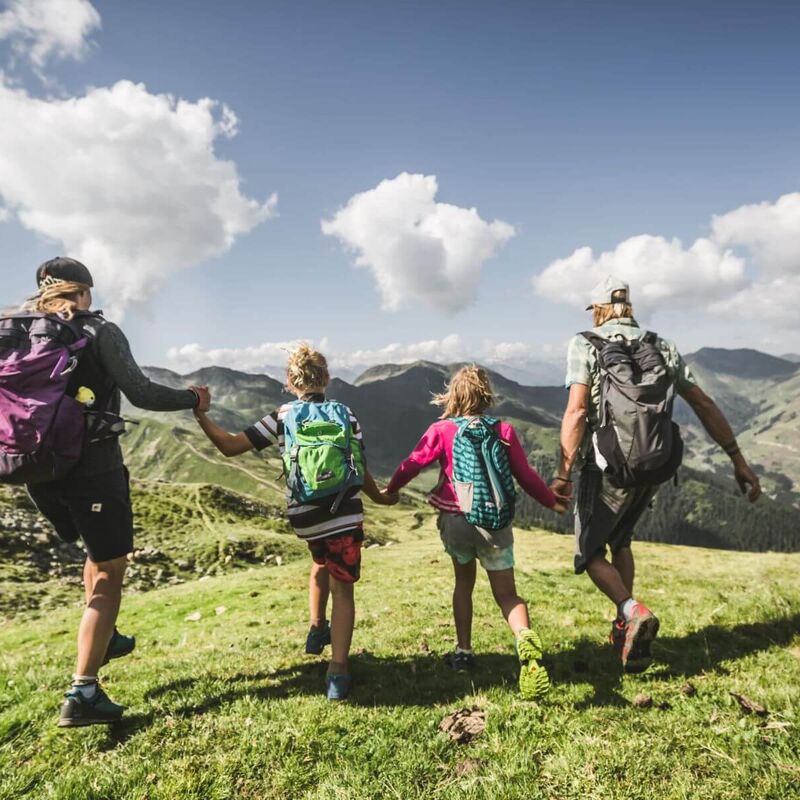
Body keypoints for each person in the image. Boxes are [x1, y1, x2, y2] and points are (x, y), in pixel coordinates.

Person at [12, 257, 209, 727]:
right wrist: (193, 399)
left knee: (94, 555)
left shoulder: (14, 330)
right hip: (92, 469)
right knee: (110, 573)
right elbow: (141, 392)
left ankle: (108, 635)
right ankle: (82, 694)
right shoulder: (97, 331)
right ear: (85, 291)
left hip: (35, 472)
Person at [551, 275, 762, 673]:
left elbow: (577, 411)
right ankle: (626, 630)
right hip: (655, 466)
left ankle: (631, 611)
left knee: (590, 551)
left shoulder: (584, 343)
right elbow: (701, 401)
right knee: (622, 541)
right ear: (628, 306)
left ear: (597, 307)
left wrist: (563, 473)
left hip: (607, 467)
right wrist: (737, 458)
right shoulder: (661, 345)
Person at [193, 343, 395, 701]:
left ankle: (318, 626)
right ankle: (338, 671)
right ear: (327, 378)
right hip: (344, 511)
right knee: (343, 589)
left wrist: (201, 415)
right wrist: (380, 497)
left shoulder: (283, 415)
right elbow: (359, 468)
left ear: (289, 381)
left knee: (322, 559)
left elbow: (230, 447)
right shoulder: (346, 414)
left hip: (305, 515)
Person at [383, 365, 564, 700]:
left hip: (456, 522)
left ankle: (463, 651)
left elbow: (413, 462)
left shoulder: (441, 430)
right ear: (486, 396)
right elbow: (525, 476)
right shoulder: (504, 430)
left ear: (453, 396)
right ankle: (524, 637)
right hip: (494, 524)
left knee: (463, 584)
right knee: (507, 594)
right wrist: (551, 501)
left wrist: (390, 490)